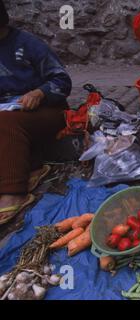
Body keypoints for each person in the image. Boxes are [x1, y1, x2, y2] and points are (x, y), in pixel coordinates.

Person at [0, 0, 72, 225]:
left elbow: (62, 80)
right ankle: (32, 167)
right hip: (9, 112)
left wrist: (39, 93)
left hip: (48, 110)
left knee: (6, 121)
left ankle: (14, 191)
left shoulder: (27, 44)